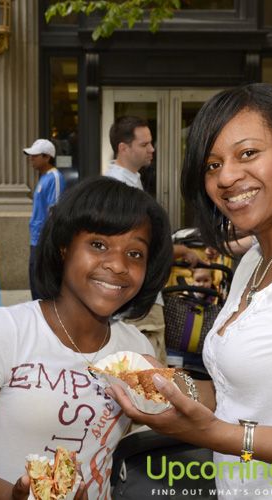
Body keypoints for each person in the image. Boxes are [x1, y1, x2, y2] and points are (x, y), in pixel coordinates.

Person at [108, 84, 272, 499]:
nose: (227, 177)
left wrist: (219, 435)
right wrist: (171, 384)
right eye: (212, 165)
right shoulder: (254, 259)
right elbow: (240, 393)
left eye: (247, 153)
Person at [0, 177, 173, 500]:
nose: (117, 265)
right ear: (64, 247)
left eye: (135, 253)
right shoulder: (4, 332)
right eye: (98, 245)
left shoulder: (137, 349)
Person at [105, 116, 201, 365]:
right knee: (147, 382)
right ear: (123, 148)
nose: (152, 149)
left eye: (151, 143)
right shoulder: (118, 190)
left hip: (136, 300)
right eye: (144, 144)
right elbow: (136, 247)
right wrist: (179, 249)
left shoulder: (128, 182)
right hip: (136, 304)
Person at [23, 138, 66, 300]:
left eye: (35, 156)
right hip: (36, 239)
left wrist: (49, 241)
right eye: (30, 156)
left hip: (44, 240)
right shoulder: (44, 177)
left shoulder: (54, 177)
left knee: (43, 286)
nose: (31, 159)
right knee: (35, 283)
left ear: (47, 157)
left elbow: (54, 211)